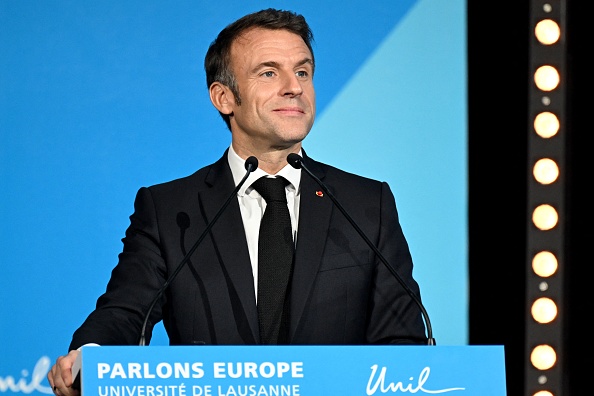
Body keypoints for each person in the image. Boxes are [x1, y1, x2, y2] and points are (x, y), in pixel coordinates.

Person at [48, 8, 428, 396]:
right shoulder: (171, 210)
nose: (294, 87)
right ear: (224, 97)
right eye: (268, 72)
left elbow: (403, 342)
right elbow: (126, 313)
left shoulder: (366, 204)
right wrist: (90, 359)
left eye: (302, 72)